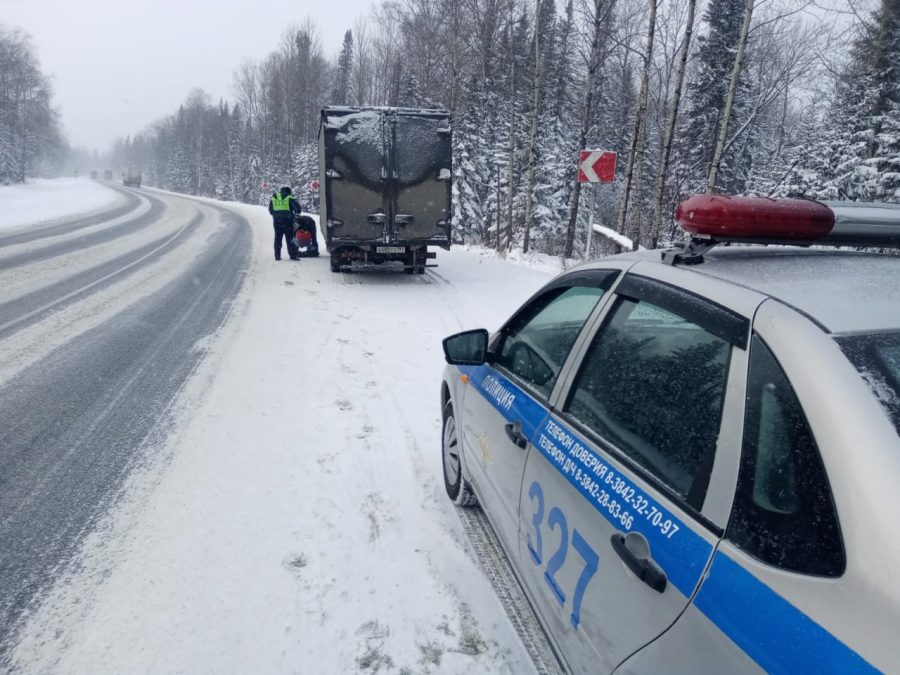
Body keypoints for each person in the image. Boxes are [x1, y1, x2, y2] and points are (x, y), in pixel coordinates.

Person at [268, 186, 301, 260]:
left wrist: (276, 215)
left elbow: (270, 209)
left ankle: (277, 256)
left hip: (277, 221)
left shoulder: (275, 197)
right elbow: (298, 208)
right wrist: (296, 216)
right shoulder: (289, 197)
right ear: (289, 192)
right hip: (288, 221)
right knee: (289, 239)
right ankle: (292, 256)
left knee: (278, 238)